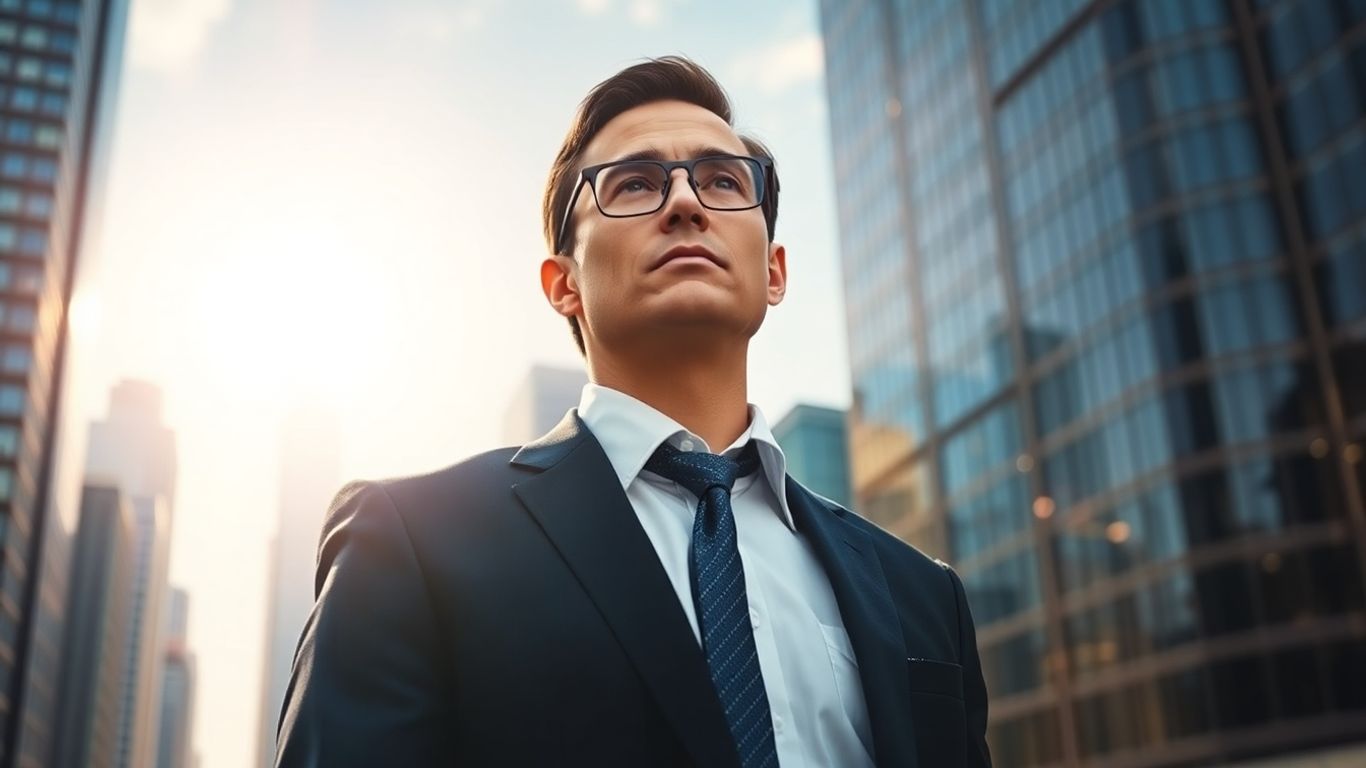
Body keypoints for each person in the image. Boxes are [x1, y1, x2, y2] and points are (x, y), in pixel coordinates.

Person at [275, 56, 991, 768]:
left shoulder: (923, 594)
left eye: (721, 180)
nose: (686, 202)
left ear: (773, 272)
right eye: (635, 183)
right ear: (563, 285)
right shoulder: (413, 546)